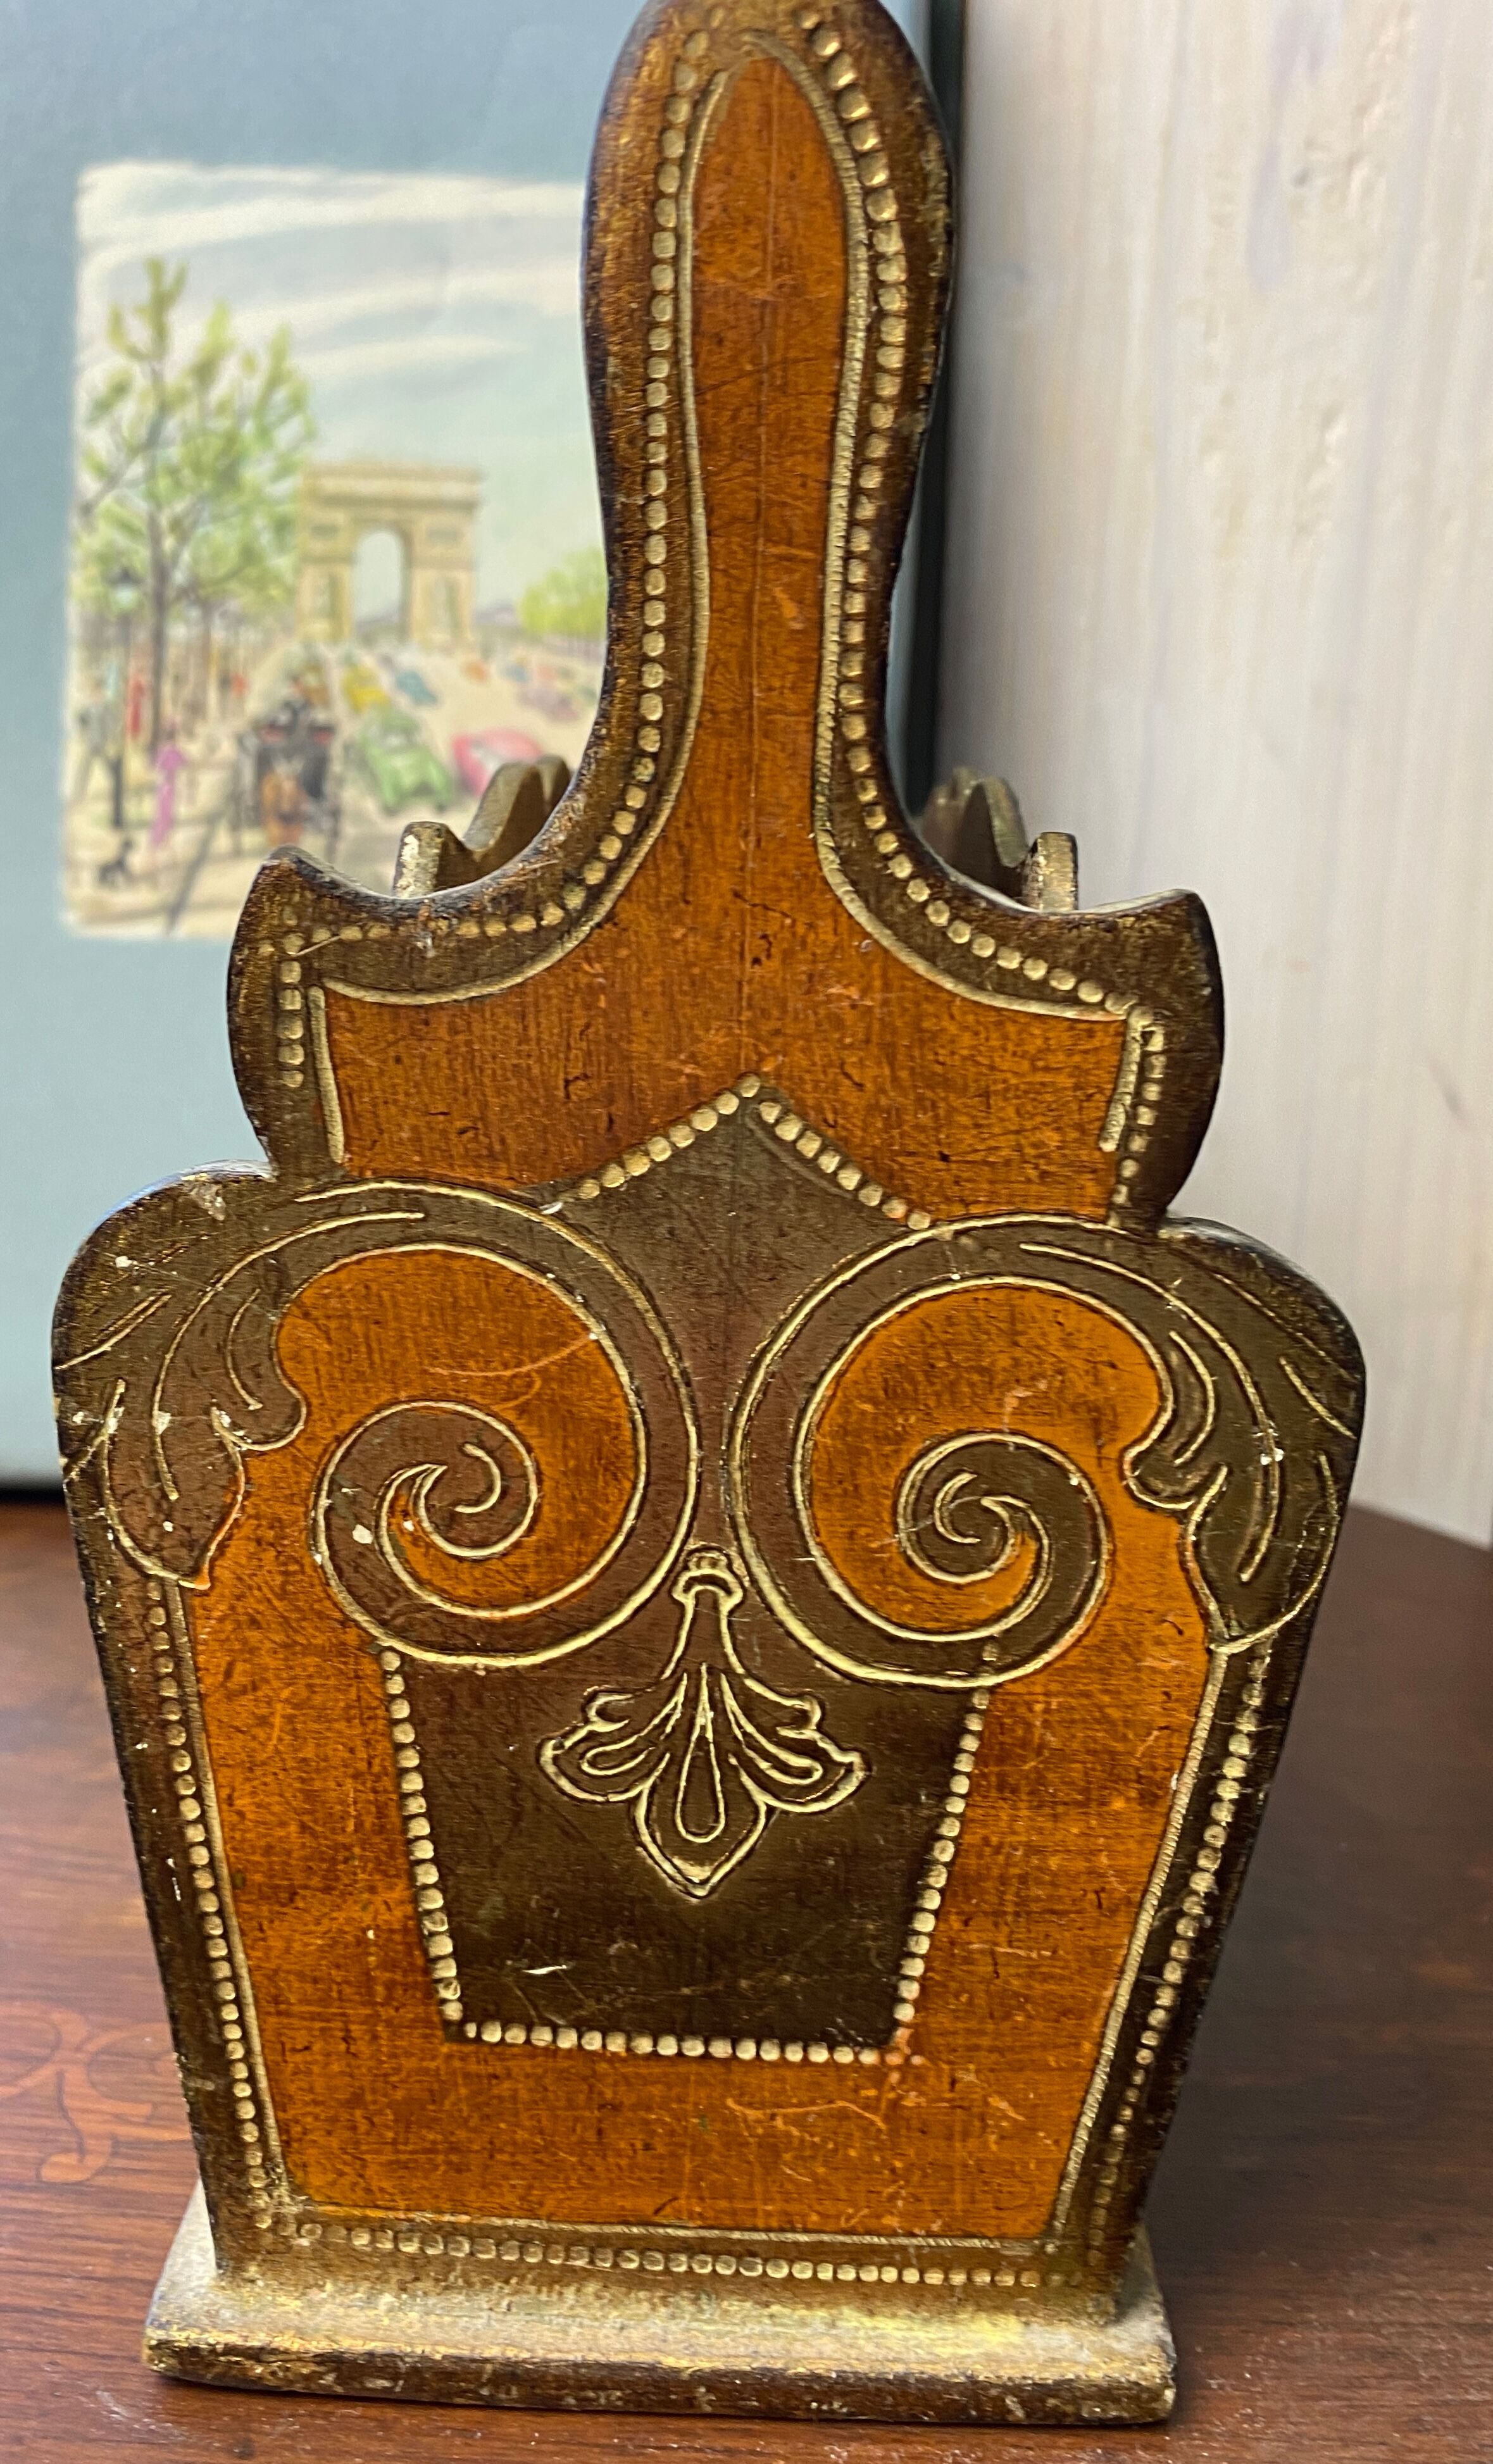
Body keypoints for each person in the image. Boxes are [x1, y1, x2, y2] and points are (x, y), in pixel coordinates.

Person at [149, 725, 187, 858]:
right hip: (169, 786)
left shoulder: (163, 751)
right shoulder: (173, 751)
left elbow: (155, 766)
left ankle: (162, 843)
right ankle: (160, 844)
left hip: (164, 786)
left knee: (163, 815)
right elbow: (186, 762)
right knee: (166, 816)